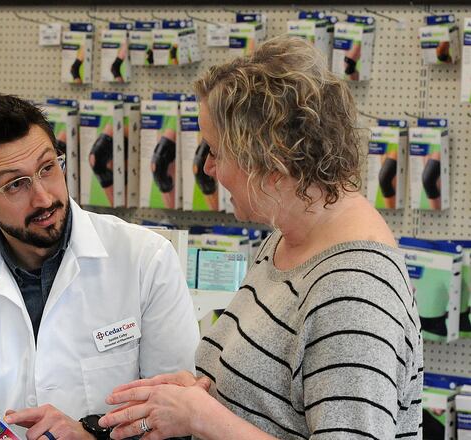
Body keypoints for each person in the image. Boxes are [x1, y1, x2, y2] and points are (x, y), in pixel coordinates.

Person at [98, 36, 423, 440]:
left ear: (271, 163)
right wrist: (204, 395)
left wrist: (203, 418)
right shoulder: (291, 239)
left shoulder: (354, 292)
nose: (210, 168)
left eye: (217, 151)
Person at [0, 94, 199, 440]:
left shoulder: (145, 260)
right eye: (15, 184)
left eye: (48, 168)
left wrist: (93, 435)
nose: (44, 198)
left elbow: (183, 420)